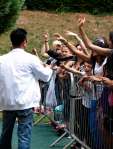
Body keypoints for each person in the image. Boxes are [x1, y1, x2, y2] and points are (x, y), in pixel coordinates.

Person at [0, 28, 53, 149]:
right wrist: (49, 67)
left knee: (5, 135)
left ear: (11, 42)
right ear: (25, 42)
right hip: (25, 103)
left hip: (7, 102)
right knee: (24, 137)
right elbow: (45, 77)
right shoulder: (31, 59)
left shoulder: (2, 60)